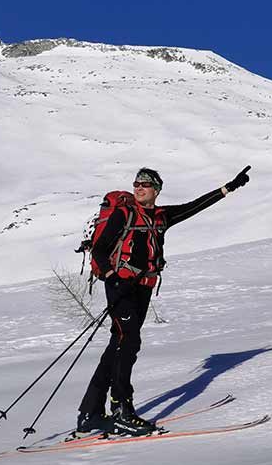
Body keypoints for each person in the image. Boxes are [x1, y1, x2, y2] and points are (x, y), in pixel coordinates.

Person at [76, 165, 251, 436]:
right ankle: (122, 409)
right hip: (120, 286)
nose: (139, 187)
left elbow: (194, 207)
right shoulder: (124, 213)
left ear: (156, 190)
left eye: (145, 184)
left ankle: (90, 412)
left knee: (119, 344)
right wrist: (112, 277)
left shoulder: (160, 216)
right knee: (129, 342)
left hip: (143, 287)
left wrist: (229, 187)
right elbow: (99, 249)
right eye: (136, 183)